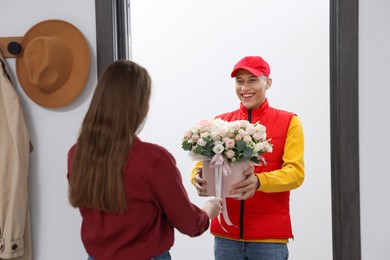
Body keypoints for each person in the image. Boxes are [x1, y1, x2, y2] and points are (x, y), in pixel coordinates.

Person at [67, 60, 222, 260]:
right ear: (139, 106)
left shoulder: (76, 154)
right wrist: (208, 210)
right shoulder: (153, 160)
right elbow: (190, 224)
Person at [192, 56, 305, 260]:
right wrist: (197, 177)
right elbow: (203, 162)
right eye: (240, 81)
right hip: (226, 235)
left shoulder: (290, 121)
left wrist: (260, 181)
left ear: (267, 83)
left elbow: (296, 174)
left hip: (268, 238)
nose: (245, 87)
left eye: (252, 80)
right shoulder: (221, 121)